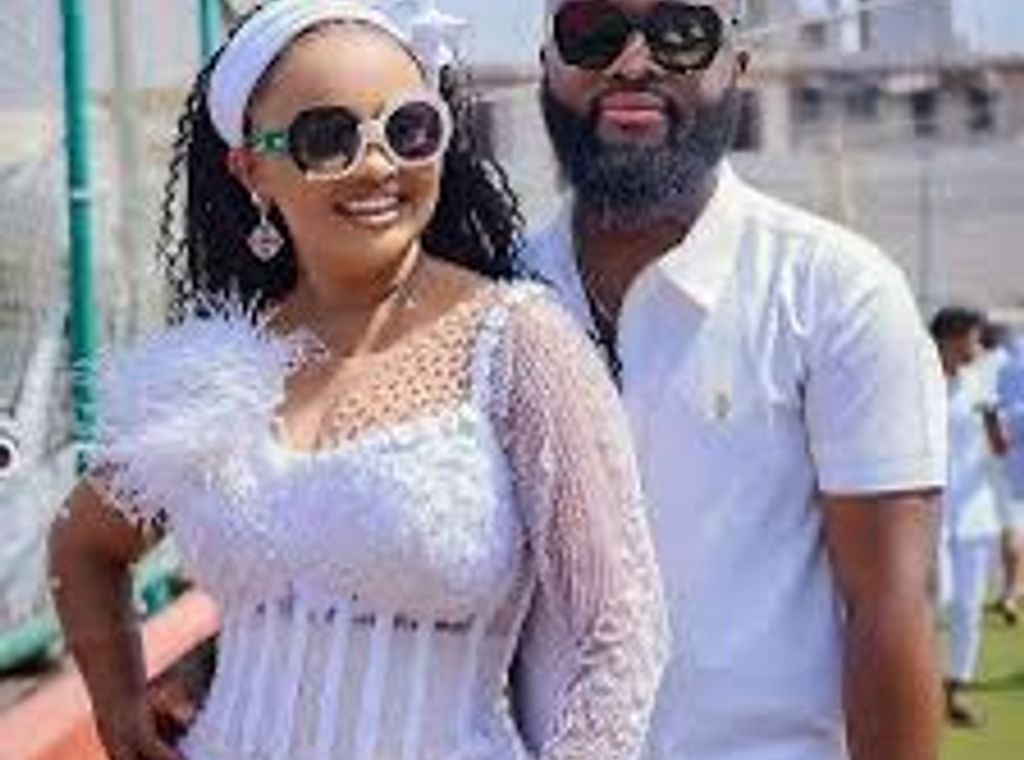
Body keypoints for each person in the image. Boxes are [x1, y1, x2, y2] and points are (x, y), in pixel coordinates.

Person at [47, 3, 668, 760]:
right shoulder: (216, 371)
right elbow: (84, 543)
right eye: (327, 138)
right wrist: (119, 711)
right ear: (251, 170)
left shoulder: (518, 344)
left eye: (409, 129)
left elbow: (619, 632)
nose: (377, 165)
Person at [523, 1, 947, 758]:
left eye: (681, 33)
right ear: (546, 68)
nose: (633, 63)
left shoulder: (834, 291)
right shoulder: (496, 293)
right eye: (592, 31)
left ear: (737, 67)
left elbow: (889, 606)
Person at [931, 307, 1006, 727]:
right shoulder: (919, 382)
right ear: (948, 338)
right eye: (972, 338)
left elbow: (999, 447)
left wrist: (997, 421)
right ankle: (921, 686)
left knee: (968, 607)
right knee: (937, 598)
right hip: (930, 511)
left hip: (975, 513)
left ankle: (954, 692)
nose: (977, 347)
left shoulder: (982, 382)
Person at [990, 325, 1024, 625]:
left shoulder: (1005, 360)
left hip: (1006, 453)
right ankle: (1012, 591)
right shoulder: (1010, 357)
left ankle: (1012, 592)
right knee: (1014, 527)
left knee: (1013, 527)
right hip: (1007, 451)